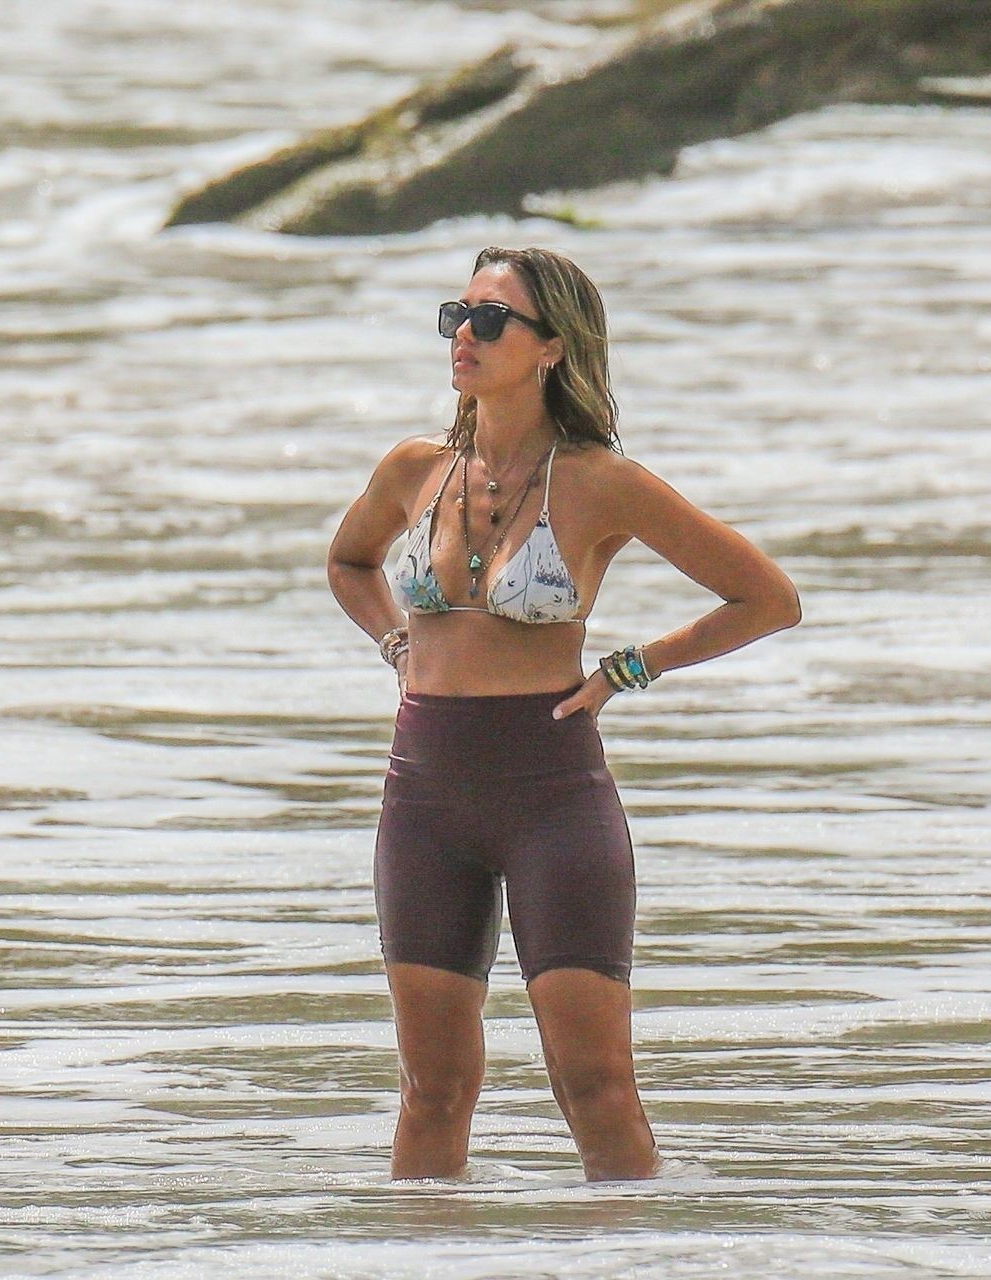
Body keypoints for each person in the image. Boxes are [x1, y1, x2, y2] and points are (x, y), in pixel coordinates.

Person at [325, 245, 800, 1183]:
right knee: (431, 1090)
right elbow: (349, 562)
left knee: (596, 1087)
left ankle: (636, 1249)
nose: (464, 335)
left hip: (553, 797)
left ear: (553, 346)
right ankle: (419, 1251)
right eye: (456, 316)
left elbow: (767, 598)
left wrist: (633, 667)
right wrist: (395, 645)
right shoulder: (416, 468)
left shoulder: (598, 480)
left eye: (490, 319)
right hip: (424, 798)